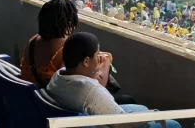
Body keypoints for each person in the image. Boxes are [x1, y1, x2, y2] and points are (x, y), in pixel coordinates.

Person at [47, 33, 181, 128]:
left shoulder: (58, 76)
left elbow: (85, 85)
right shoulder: (90, 91)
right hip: (113, 122)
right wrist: (153, 115)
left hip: (79, 118)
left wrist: (94, 70)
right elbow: (122, 124)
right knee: (173, 124)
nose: (99, 56)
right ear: (86, 61)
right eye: (96, 54)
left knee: (142, 108)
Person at [20, 0, 79, 88]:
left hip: (24, 91)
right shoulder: (66, 48)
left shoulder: (32, 40)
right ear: (69, 23)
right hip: (44, 99)